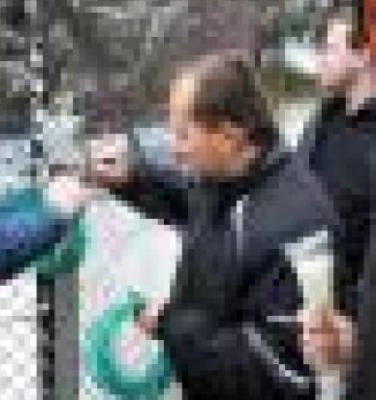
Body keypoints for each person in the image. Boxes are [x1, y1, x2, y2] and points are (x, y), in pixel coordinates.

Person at [91, 50, 349, 399]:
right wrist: (131, 179)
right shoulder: (226, 179)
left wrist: (171, 325)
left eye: (183, 135)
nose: (175, 149)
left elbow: (279, 371)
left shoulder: (296, 227)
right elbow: (189, 200)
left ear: (230, 135)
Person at [296, 2, 376, 398]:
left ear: (363, 55)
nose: (319, 58)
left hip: (358, 351)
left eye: (329, 47)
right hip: (307, 330)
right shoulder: (320, 121)